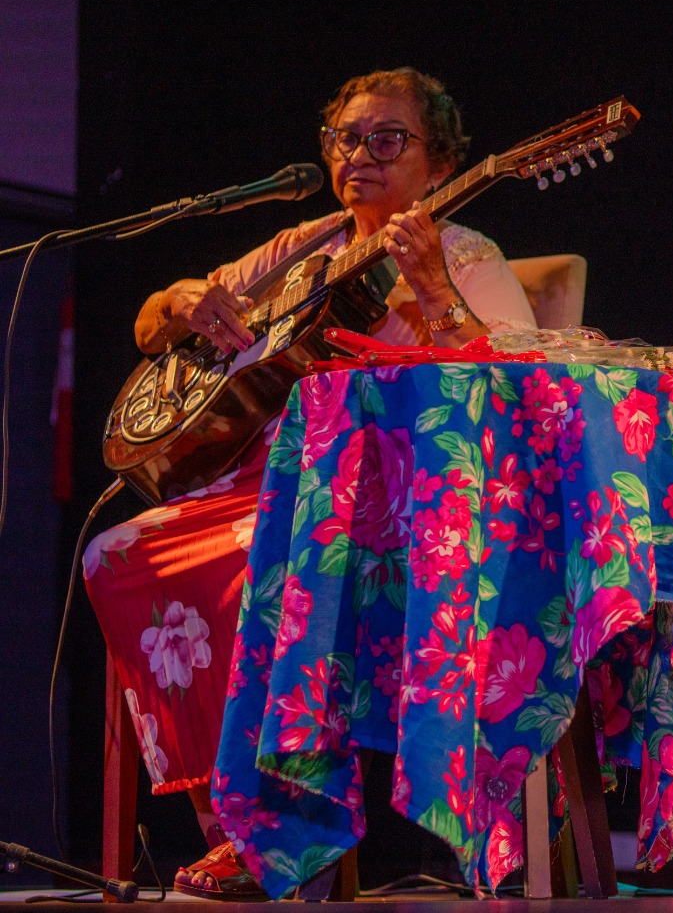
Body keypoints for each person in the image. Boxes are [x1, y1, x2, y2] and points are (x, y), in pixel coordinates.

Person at [84, 68, 538, 899]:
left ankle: (291, 823)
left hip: (392, 500)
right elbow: (152, 320)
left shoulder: (467, 253)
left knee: (250, 558)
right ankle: (231, 828)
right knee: (117, 552)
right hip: (269, 484)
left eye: (387, 139)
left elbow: (518, 395)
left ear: (437, 165)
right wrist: (184, 300)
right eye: (345, 139)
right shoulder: (302, 246)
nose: (360, 155)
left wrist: (436, 291)